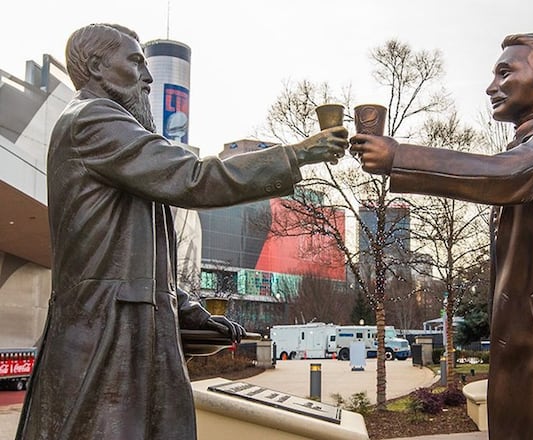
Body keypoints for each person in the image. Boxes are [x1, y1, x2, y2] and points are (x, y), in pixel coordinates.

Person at [16, 23, 347, 440]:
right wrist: (297, 154)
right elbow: (193, 177)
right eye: (135, 62)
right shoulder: (93, 118)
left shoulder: (111, 134)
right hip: (106, 333)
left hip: (122, 330)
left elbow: (137, 259)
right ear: (97, 66)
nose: (148, 77)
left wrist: (186, 309)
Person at [351, 33, 533, 440]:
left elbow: (505, 175)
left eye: (505, 73)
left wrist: (399, 157)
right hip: (530, 340)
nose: (491, 86)